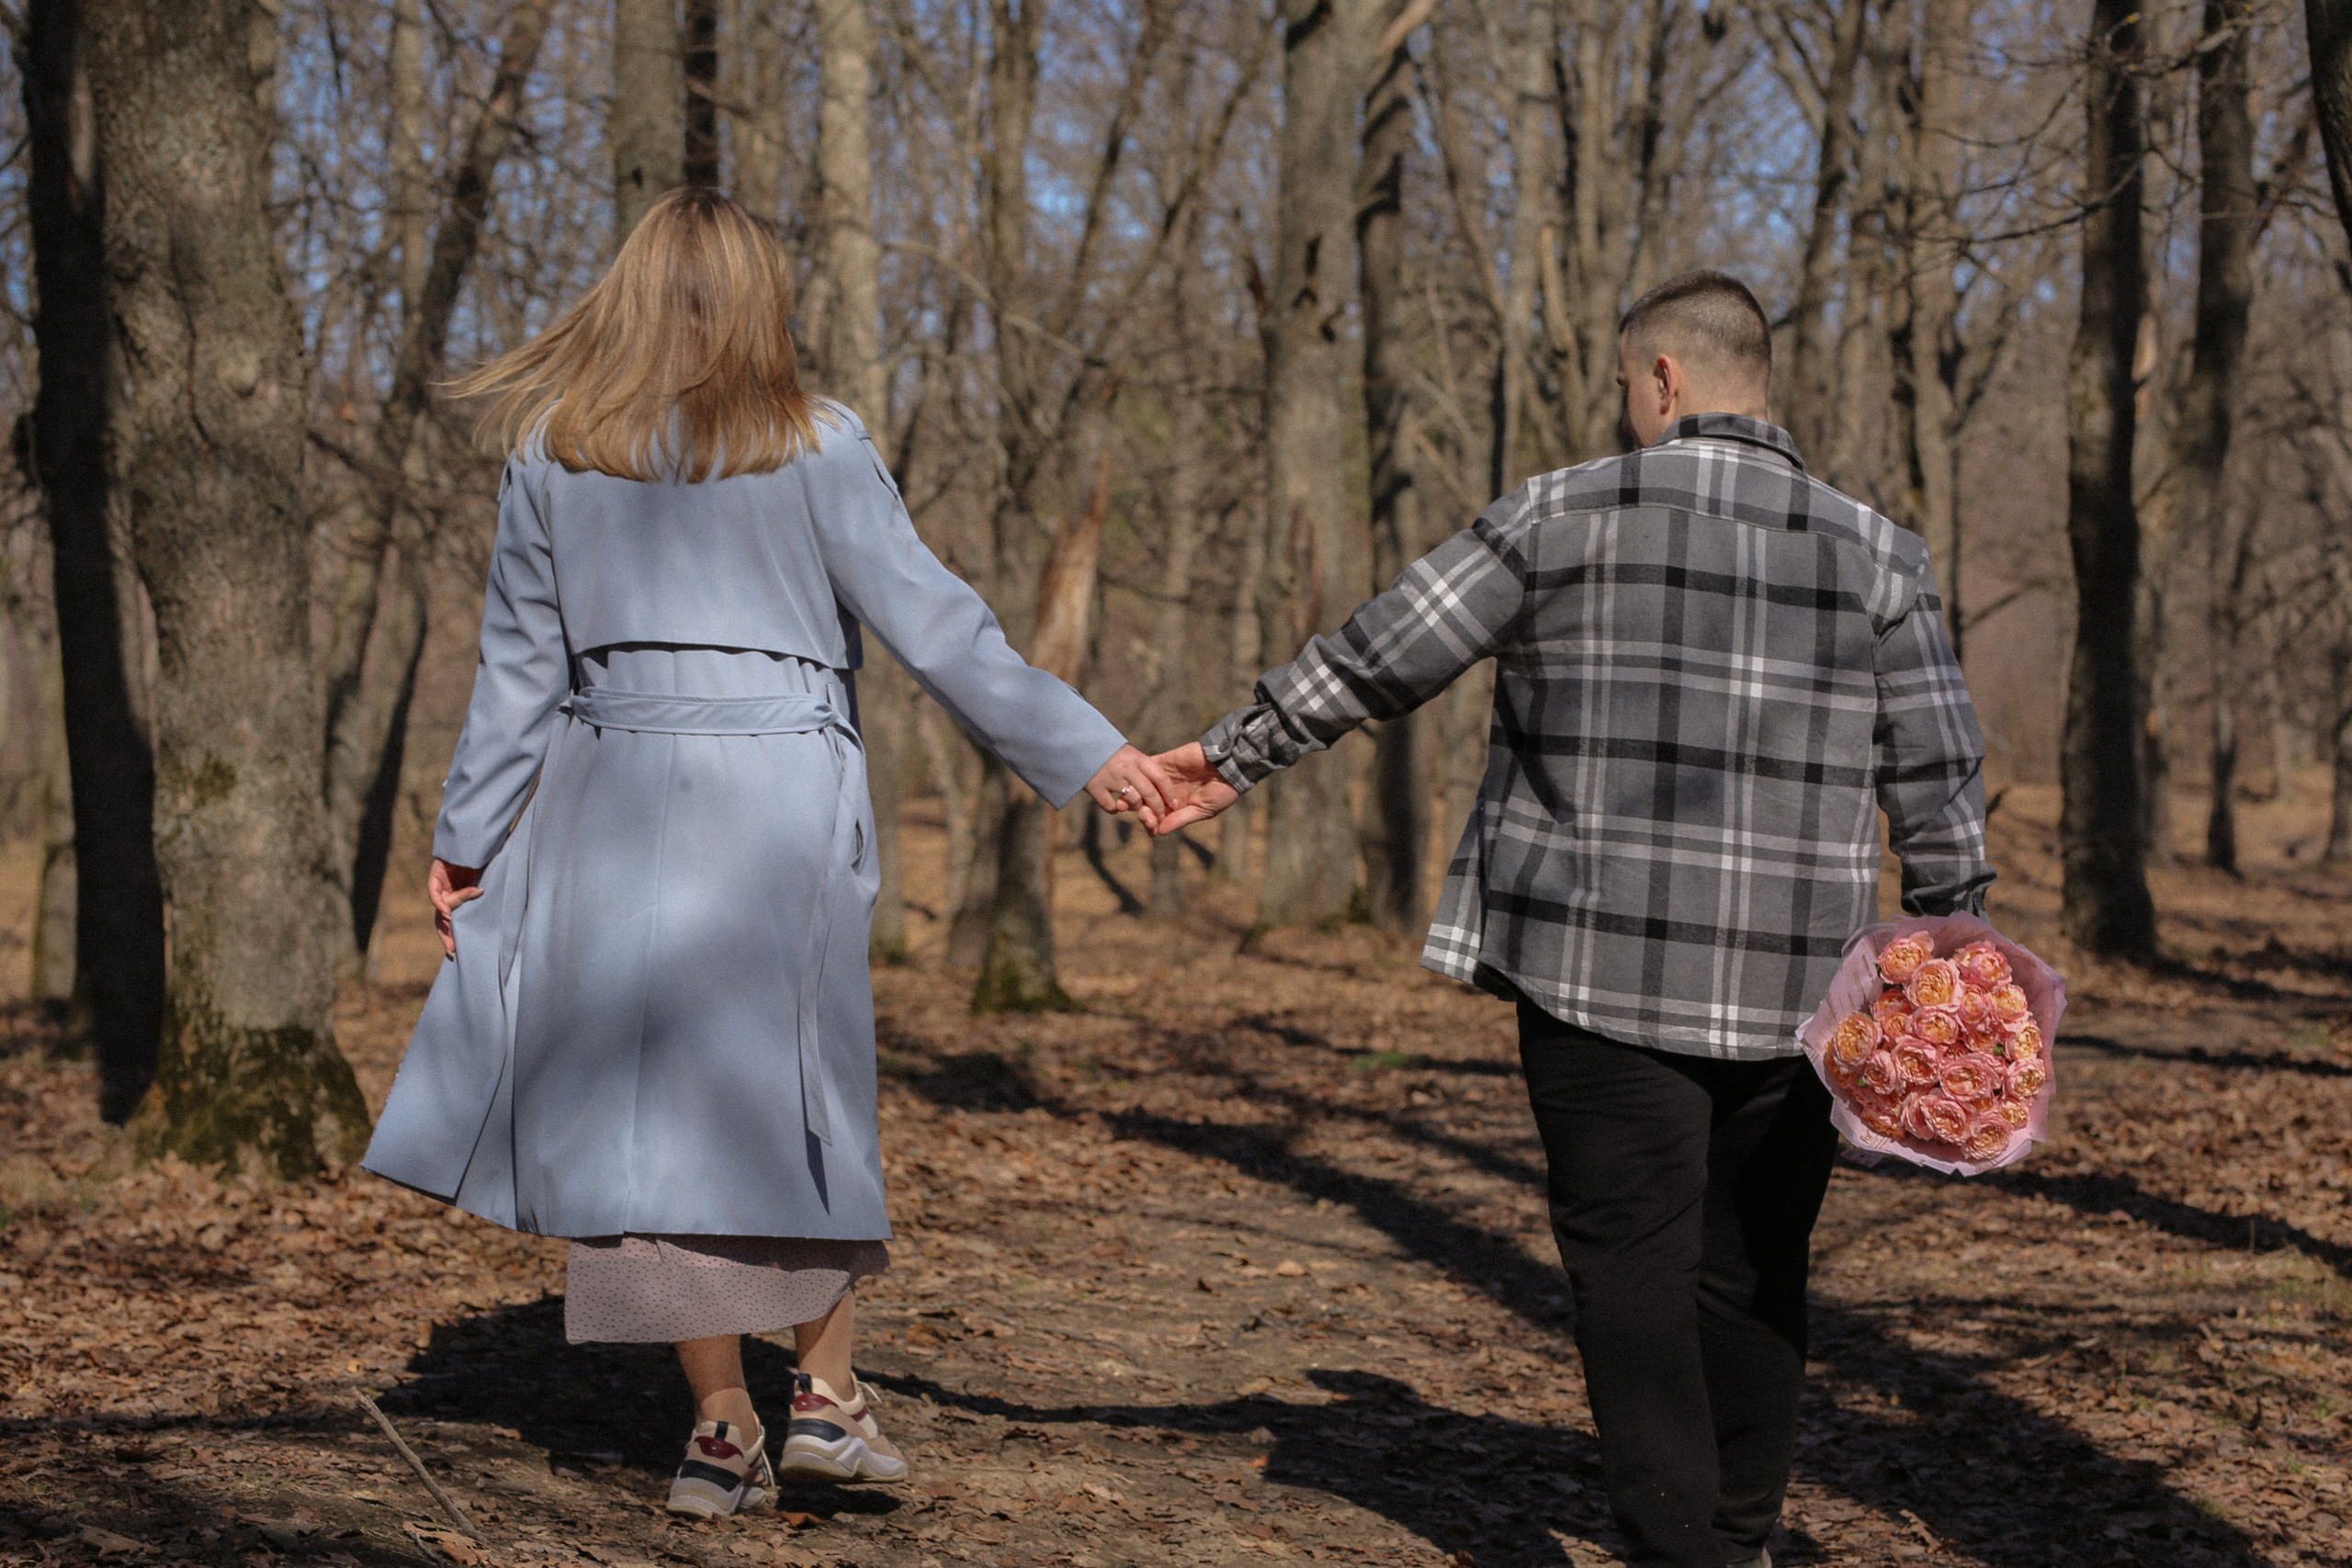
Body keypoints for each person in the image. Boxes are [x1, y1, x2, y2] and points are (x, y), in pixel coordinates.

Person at [1149, 270, 1993, 1568]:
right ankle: (1740, 1540)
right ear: (1753, 380)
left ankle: (1682, 1553)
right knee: (1757, 1273)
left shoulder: (1560, 513)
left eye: (1625, 384)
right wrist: (1953, 958)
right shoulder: (1881, 554)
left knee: (1633, 1277)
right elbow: (1937, 778)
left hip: (1596, 975)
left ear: (1661, 379)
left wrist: (1233, 753)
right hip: (1801, 996)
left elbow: (1385, 651)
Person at [362, 187, 1175, 1520]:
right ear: (758, 299)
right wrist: (1092, 754)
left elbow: (516, 675)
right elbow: (942, 627)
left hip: (607, 790)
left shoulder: (556, 453)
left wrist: (468, 840)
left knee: (647, 1121)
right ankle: (828, 1404)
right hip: (779, 797)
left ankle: (724, 1429)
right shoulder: (816, 443)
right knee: (795, 1103)